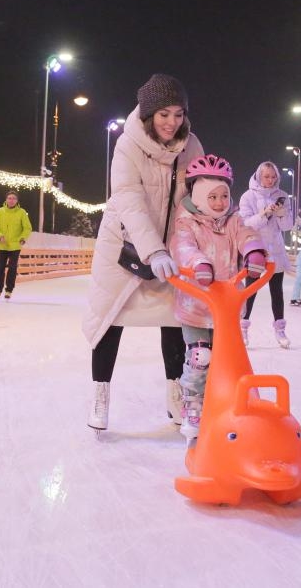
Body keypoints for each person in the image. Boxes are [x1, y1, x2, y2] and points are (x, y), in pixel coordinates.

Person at [81, 74, 204, 431]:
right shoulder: (127, 145)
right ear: (149, 114)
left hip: (172, 248)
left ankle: (175, 394)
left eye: (178, 114)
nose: (171, 122)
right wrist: (153, 251)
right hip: (123, 246)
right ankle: (100, 394)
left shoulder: (191, 145)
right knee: (109, 320)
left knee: (175, 320)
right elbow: (129, 201)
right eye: (164, 114)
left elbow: (196, 197)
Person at [168, 154, 267, 446]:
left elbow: (247, 233)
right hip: (196, 306)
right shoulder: (187, 223)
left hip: (228, 307)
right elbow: (181, 247)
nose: (220, 202)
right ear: (198, 197)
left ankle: (232, 404)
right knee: (202, 358)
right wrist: (199, 263)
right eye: (212, 196)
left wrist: (254, 251)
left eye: (224, 195)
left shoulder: (234, 220)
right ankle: (194, 407)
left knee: (230, 359)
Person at [238, 161, 294, 347]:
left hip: (276, 250)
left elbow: (287, 227)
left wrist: (281, 214)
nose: (270, 180)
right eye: (266, 176)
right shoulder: (248, 196)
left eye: (273, 177)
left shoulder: (283, 196)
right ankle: (243, 328)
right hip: (255, 249)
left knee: (276, 292)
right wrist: (264, 213)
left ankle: (280, 330)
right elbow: (246, 224)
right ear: (259, 176)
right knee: (250, 290)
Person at [0, 191, 32, 300]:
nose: (11, 200)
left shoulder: (22, 212)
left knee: (12, 268)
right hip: (3, 245)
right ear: (6, 200)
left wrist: (23, 238)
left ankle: (9, 290)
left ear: (17, 201)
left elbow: (27, 228)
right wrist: (0, 236)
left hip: (15, 246)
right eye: (9, 198)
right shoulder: (0, 211)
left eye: (13, 198)